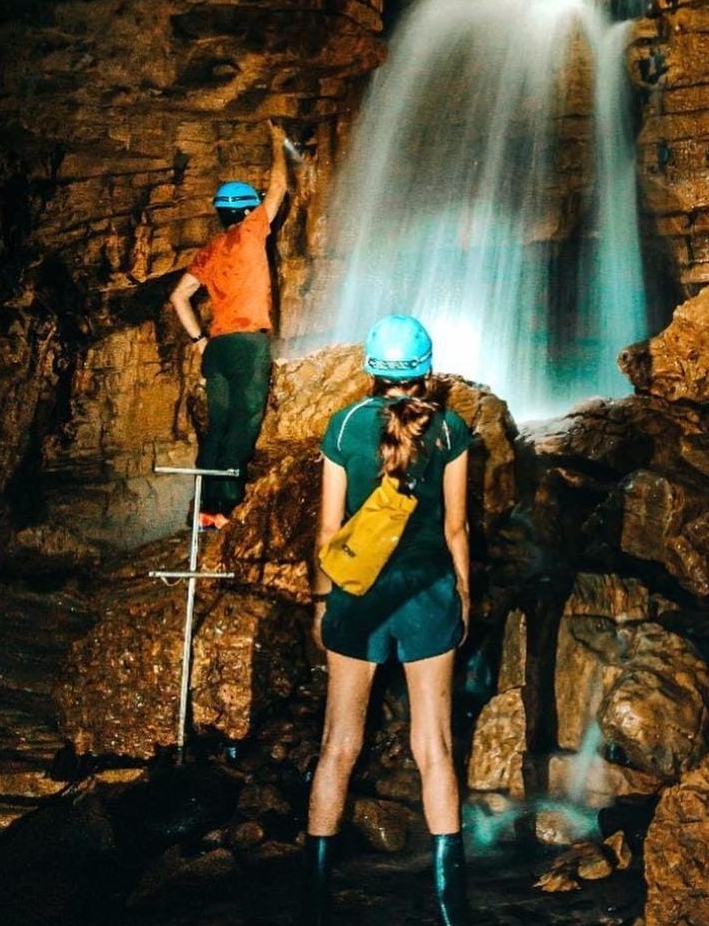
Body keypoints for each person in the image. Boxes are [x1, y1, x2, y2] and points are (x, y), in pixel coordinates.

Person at [304, 314, 472, 926]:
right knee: (435, 749)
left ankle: (315, 900)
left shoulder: (344, 425)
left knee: (337, 747)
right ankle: (451, 905)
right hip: (429, 597)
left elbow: (328, 529)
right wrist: (465, 596)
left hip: (359, 599)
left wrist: (323, 603)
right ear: (425, 369)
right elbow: (456, 526)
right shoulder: (451, 429)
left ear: (371, 367)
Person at [169, 122, 287, 527]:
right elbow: (278, 190)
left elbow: (178, 296)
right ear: (247, 210)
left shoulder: (210, 250)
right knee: (245, 419)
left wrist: (199, 339)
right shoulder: (251, 234)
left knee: (217, 426)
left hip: (216, 348)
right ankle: (224, 507)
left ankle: (202, 507)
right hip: (246, 344)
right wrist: (277, 143)